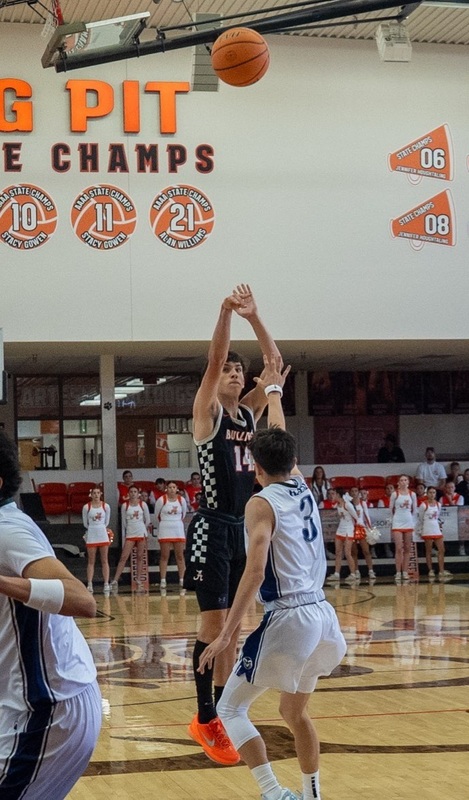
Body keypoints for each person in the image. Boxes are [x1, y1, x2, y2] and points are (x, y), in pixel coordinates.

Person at [198, 356, 346, 800]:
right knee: (294, 713)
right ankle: (311, 793)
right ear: (292, 460)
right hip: (324, 617)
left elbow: (257, 569)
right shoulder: (302, 484)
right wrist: (276, 390)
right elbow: (279, 429)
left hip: (289, 619)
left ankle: (273, 793)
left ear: (255, 469)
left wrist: (226, 635)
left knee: (229, 708)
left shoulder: (260, 503)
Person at [184, 284, 282, 766]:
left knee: (235, 629)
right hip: (211, 528)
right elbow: (212, 360)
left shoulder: (250, 410)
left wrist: (255, 317)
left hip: (241, 529)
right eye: (229, 368)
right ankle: (204, 717)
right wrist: (224, 312)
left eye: (238, 369)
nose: (235, 372)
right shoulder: (209, 414)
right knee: (214, 624)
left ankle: (222, 708)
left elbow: (275, 367)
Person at [0, 431, 101, 798]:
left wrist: (3, 583)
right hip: (27, 703)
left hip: (49, 709)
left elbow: (81, 600)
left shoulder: (7, 530)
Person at [111, 485, 151, 591]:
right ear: (128, 494)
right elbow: (124, 523)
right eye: (131, 491)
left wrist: (143, 530)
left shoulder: (143, 505)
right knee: (124, 557)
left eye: (135, 491)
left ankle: (138, 579)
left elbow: (147, 520)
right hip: (130, 533)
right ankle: (115, 579)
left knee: (140, 556)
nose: (133, 493)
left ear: (138, 493)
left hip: (141, 532)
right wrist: (124, 537)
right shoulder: (125, 506)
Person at [154, 480, 188, 594]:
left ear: (177, 489)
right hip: (165, 528)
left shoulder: (181, 500)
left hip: (177, 528)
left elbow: (183, 514)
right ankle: (163, 579)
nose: (172, 489)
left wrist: (176, 522)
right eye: (170, 487)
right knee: (164, 556)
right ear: (166, 489)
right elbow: (157, 514)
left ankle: (182, 579)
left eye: (174, 487)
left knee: (180, 555)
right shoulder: (161, 500)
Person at [326, 487, 360, 584]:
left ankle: (353, 574)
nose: (333, 496)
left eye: (334, 494)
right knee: (338, 552)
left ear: (338, 495)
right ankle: (336, 574)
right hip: (340, 529)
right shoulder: (337, 505)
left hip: (348, 530)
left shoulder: (347, 505)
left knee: (347, 552)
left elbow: (356, 517)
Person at [418, 486, 452, 580]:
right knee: (428, 551)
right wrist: (421, 529)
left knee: (442, 550)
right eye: (430, 492)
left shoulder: (438, 504)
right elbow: (420, 518)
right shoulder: (423, 505)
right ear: (427, 493)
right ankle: (430, 570)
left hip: (436, 528)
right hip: (427, 529)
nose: (432, 494)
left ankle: (441, 570)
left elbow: (437, 517)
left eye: (434, 492)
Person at [82, 485, 111, 594]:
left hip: (102, 533)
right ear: (91, 494)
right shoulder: (86, 507)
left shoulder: (106, 506)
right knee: (91, 561)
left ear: (101, 494)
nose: (96, 495)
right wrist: (93, 528)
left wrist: (100, 527)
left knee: (104, 560)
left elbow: (106, 522)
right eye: (94, 493)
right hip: (92, 534)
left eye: (98, 493)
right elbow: (85, 523)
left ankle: (106, 583)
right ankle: (89, 584)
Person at [389, 475, 417, 582]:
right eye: (401, 480)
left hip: (408, 521)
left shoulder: (412, 494)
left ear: (408, 482)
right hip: (397, 521)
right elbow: (391, 509)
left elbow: (414, 510)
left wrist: (413, 522)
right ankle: (398, 572)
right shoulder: (394, 494)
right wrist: (392, 521)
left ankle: (405, 571)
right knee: (399, 548)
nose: (403, 482)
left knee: (407, 547)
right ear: (398, 483)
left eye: (405, 480)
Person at [349, 486, 376, 582]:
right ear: (350, 493)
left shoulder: (362, 503)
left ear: (358, 493)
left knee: (366, 551)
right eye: (352, 491)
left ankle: (371, 570)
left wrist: (369, 528)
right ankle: (356, 571)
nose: (354, 492)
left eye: (356, 491)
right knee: (354, 552)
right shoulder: (348, 504)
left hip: (361, 528)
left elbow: (367, 516)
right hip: (351, 528)